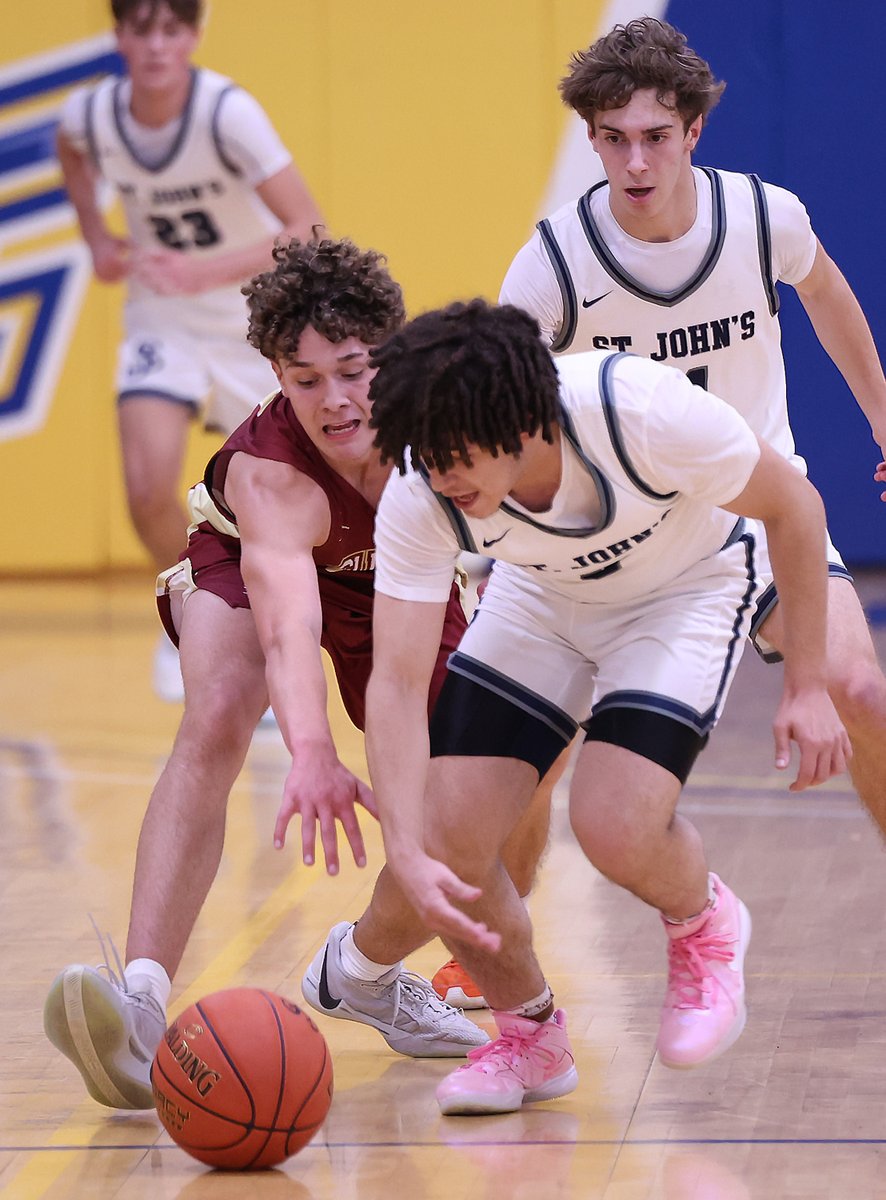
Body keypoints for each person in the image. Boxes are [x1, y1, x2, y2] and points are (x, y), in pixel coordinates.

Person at [364, 299, 850, 1114]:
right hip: (539, 601)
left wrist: (805, 682)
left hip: (684, 591)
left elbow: (795, 506)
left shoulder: (640, 411)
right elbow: (397, 682)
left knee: (614, 825)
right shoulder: (424, 491)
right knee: (447, 840)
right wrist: (406, 844)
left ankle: (704, 925)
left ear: (521, 419)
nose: (439, 475)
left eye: (455, 454)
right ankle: (530, 1039)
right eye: (425, 454)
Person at [42, 238, 488, 1113]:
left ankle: (363, 972)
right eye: (304, 377)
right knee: (215, 714)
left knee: (465, 789)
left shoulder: (441, 428)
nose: (333, 400)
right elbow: (288, 626)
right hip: (246, 558)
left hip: (391, 573)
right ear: (275, 372)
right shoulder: (273, 474)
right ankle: (138, 998)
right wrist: (312, 750)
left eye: (353, 371)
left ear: (390, 355)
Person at [499, 15, 886, 835]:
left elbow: (827, 296)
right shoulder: (554, 265)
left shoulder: (761, 217)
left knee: (861, 691)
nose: (636, 162)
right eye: (613, 139)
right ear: (593, 140)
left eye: (656, 136)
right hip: (622, 534)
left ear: (694, 128)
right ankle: (495, 959)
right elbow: (497, 407)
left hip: (760, 511)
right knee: (530, 754)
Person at [56, 0, 324, 699]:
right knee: (148, 488)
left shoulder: (226, 113)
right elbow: (69, 146)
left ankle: (272, 638)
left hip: (248, 319)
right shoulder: (93, 115)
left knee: (276, 495)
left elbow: (309, 226)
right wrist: (94, 233)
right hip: (161, 317)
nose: (156, 46)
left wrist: (203, 271)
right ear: (118, 36)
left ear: (194, 35)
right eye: (140, 29)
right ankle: (191, 606)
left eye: (171, 29)